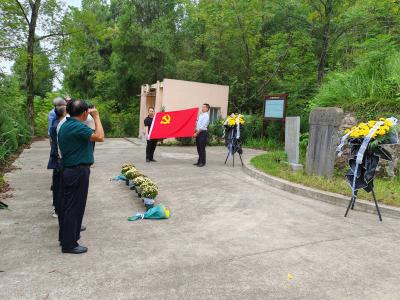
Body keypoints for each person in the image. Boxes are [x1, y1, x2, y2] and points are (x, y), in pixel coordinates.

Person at [58, 100, 104, 254]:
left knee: (69, 206)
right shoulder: (77, 126)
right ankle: (69, 244)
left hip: (70, 169)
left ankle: (66, 239)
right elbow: (100, 136)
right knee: (74, 208)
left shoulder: (66, 124)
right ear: (85, 113)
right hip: (77, 171)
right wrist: (97, 117)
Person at [47, 106, 66, 219]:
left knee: (57, 184)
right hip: (59, 160)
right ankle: (58, 210)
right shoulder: (60, 125)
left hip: (56, 158)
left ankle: (56, 207)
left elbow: (51, 140)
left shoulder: (55, 123)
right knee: (59, 186)